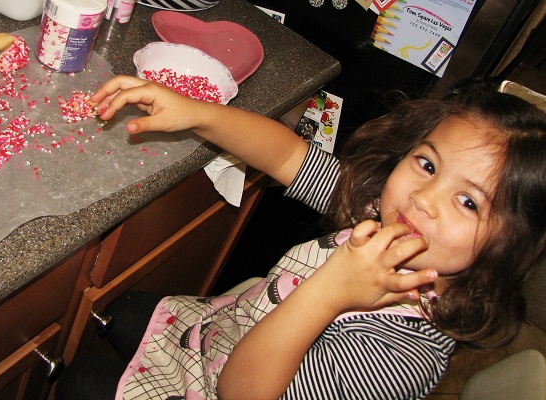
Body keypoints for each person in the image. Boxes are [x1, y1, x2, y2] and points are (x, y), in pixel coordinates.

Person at [55, 77, 546, 400]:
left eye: (469, 202)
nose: (423, 199)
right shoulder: (382, 213)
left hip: (235, 383)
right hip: (223, 332)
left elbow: (242, 393)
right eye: (427, 164)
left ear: (508, 246)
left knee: (80, 381)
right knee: (127, 307)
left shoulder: (398, 359)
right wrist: (198, 114)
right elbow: (291, 157)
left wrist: (332, 290)